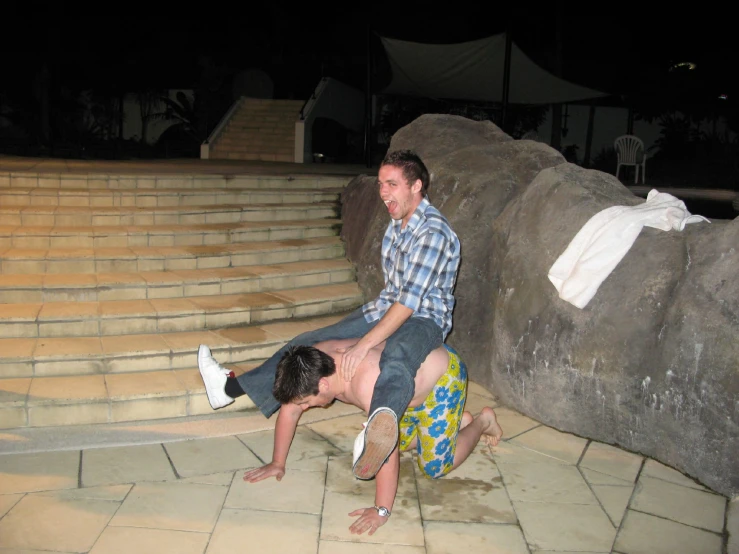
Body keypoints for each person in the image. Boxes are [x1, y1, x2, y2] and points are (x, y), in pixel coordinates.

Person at [198, 149, 461, 480]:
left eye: (391, 184)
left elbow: (408, 304)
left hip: (424, 319)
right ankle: (229, 390)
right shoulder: (398, 224)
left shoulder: (433, 232)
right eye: (381, 184)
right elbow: (393, 296)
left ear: (416, 186)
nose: (383, 193)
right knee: (309, 343)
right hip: (387, 308)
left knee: (397, 356)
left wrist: (365, 344)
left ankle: (379, 427)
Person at [241, 339, 503, 536]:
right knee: (377, 445)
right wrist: (277, 462)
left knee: (433, 465)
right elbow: (291, 408)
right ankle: (453, 428)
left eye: (308, 403)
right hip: (406, 390)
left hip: (441, 380)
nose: (305, 408)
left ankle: (481, 422)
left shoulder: (368, 383)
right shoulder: (313, 362)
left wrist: (381, 510)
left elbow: (385, 450)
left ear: (323, 385)